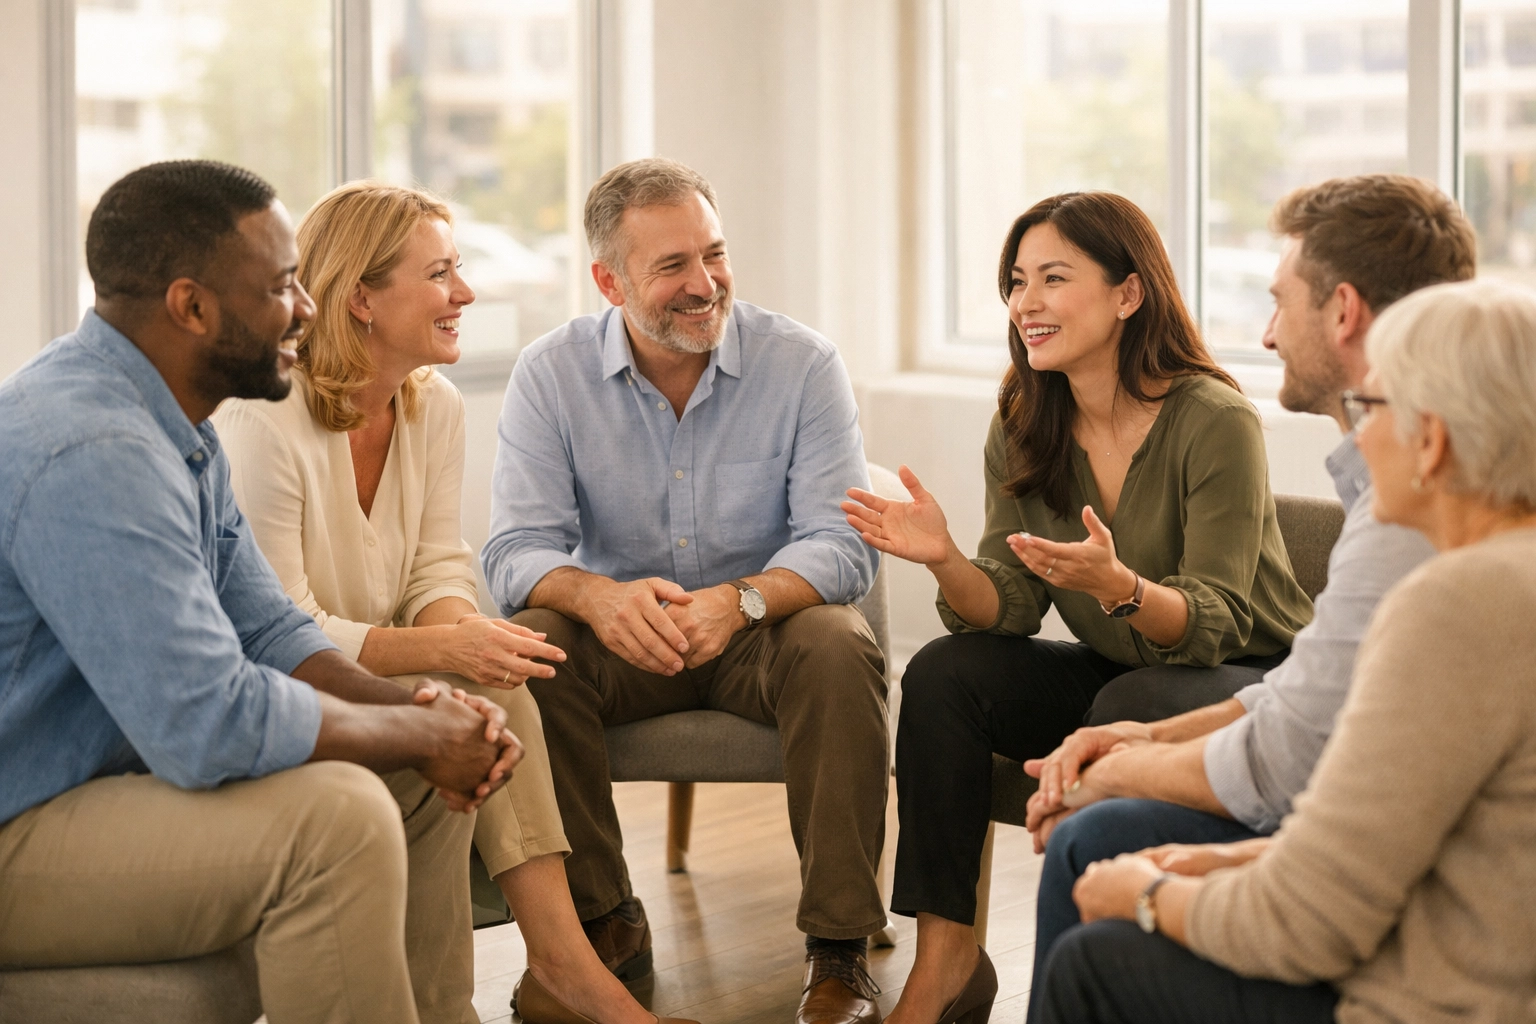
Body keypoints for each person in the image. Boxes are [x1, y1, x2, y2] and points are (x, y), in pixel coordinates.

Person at [0, 160, 521, 1024]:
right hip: (22, 818)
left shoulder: (176, 424)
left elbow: (273, 633)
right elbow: (205, 722)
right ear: (192, 306)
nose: (308, 308)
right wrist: (414, 728)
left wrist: (421, 713)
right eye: (282, 286)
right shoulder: (95, 449)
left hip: (95, 783)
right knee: (340, 822)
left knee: (412, 779)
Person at [212, 181, 681, 1024]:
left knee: (498, 681)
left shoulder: (433, 406)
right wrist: (445, 650)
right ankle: (568, 974)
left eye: (458, 269)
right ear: (361, 297)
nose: (464, 292)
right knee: (471, 693)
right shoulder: (262, 420)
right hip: (284, 701)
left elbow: (435, 572)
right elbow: (277, 632)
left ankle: (517, 983)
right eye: (439, 274)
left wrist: (473, 637)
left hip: (377, 685)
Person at [841, 190, 1311, 1024]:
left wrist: (1120, 587)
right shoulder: (1025, 418)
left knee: (1131, 698)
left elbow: (1216, 619)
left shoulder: (1215, 419)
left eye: (1053, 278)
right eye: (1017, 282)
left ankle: (1096, 978)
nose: (1026, 302)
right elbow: (1011, 602)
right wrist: (947, 559)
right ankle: (948, 961)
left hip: (1244, 681)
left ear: (1128, 294)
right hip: (1119, 671)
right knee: (945, 672)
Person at [1018, 173, 1476, 1021]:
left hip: (1401, 936)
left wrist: (1122, 774)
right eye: (1020, 281)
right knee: (1086, 805)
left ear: (1343, 312)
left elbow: (1287, 761)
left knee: (1093, 871)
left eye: (1279, 302)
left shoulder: (1418, 513)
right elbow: (1315, 693)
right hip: (1349, 833)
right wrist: (1145, 739)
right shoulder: (1391, 494)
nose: (1265, 334)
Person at [481, 158, 889, 1024]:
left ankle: (840, 949)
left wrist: (737, 601)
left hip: (762, 634)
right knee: (534, 642)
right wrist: (596, 598)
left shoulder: (802, 363)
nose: (705, 283)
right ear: (610, 281)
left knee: (837, 642)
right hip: (624, 641)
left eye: (714, 253)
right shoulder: (549, 374)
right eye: (672, 265)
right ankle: (604, 922)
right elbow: (514, 550)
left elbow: (843, 543)